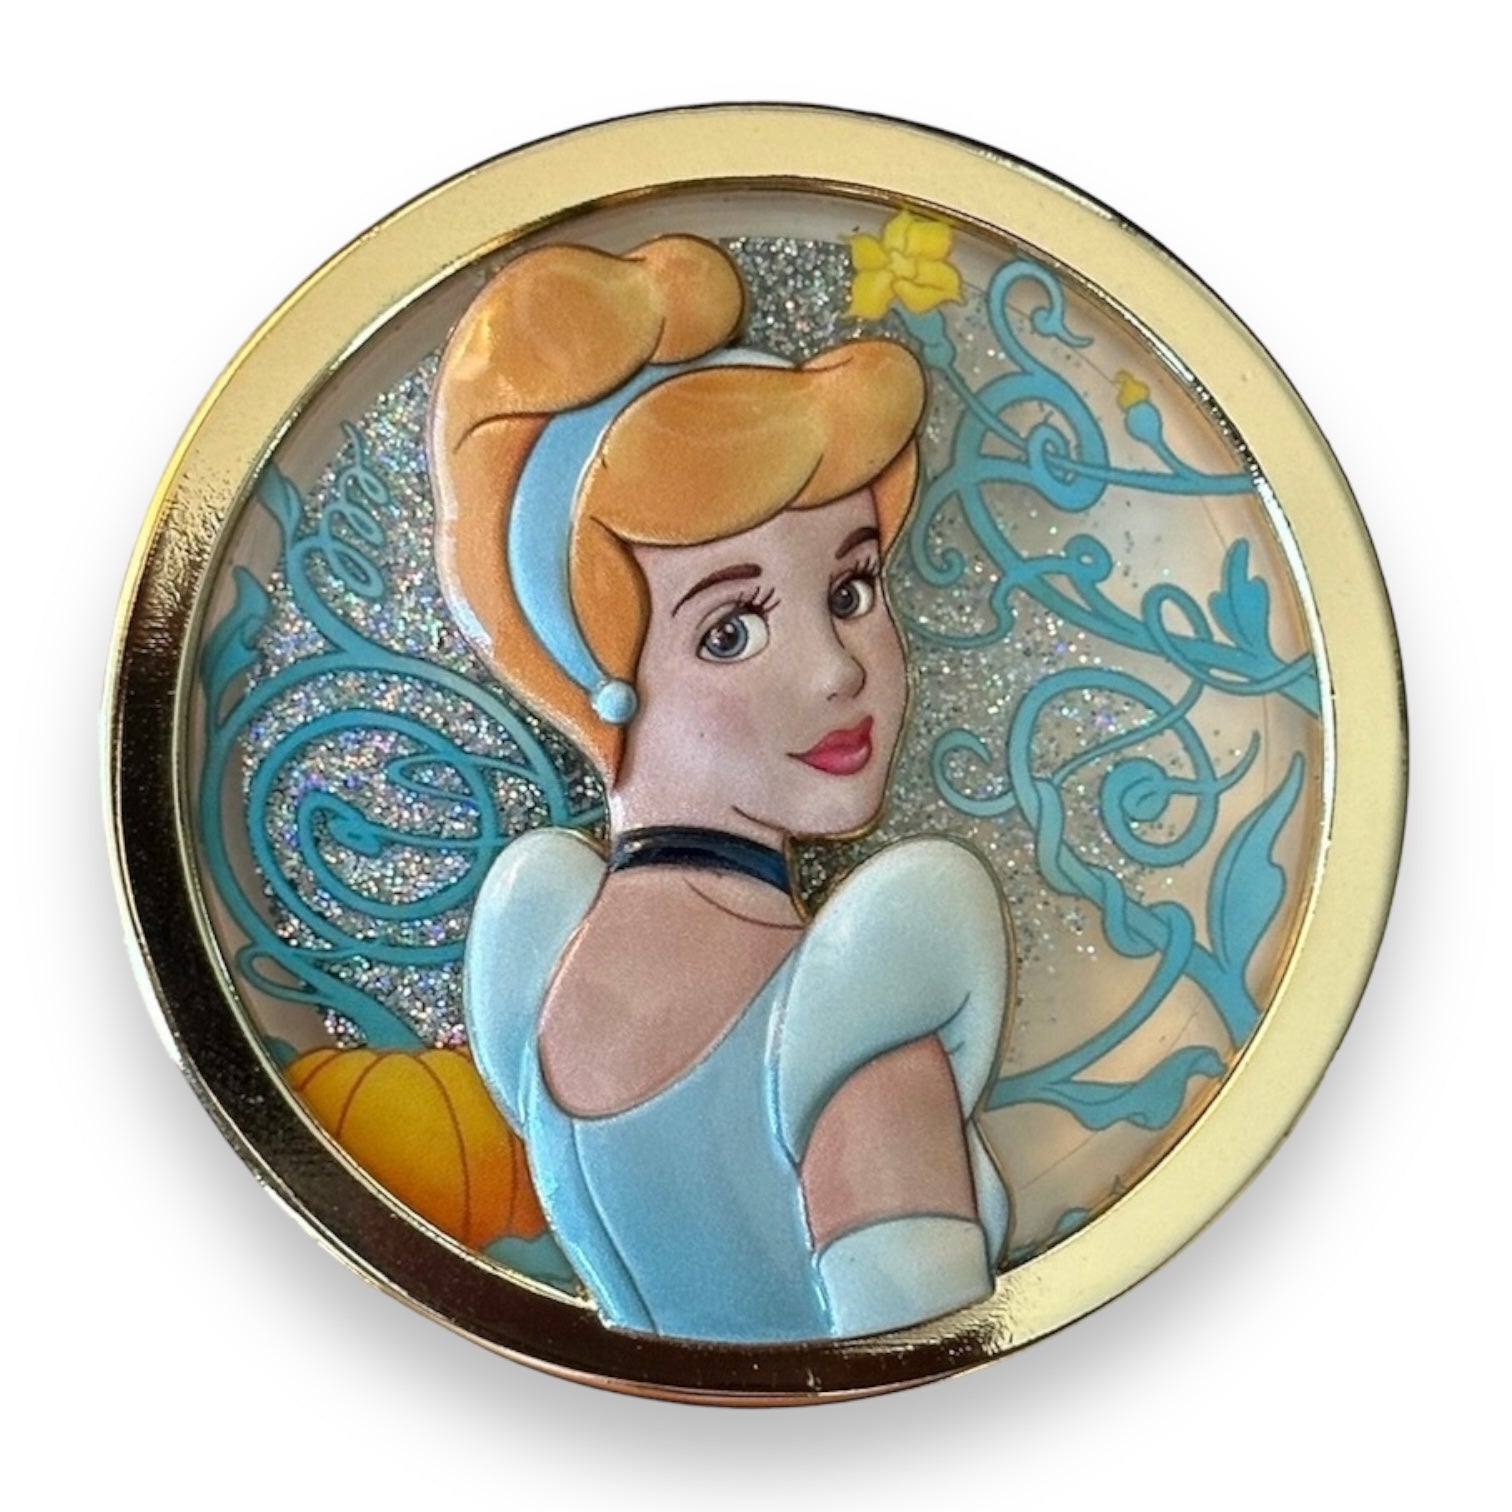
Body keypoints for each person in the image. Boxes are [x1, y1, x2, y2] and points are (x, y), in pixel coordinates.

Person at [430, 234, 1013, 1343]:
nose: (837, 671)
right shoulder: (860, 1007)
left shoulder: (539, 962)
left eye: (851, 588)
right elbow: (917, 1385)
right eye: (731, 629)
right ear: (601, 675)